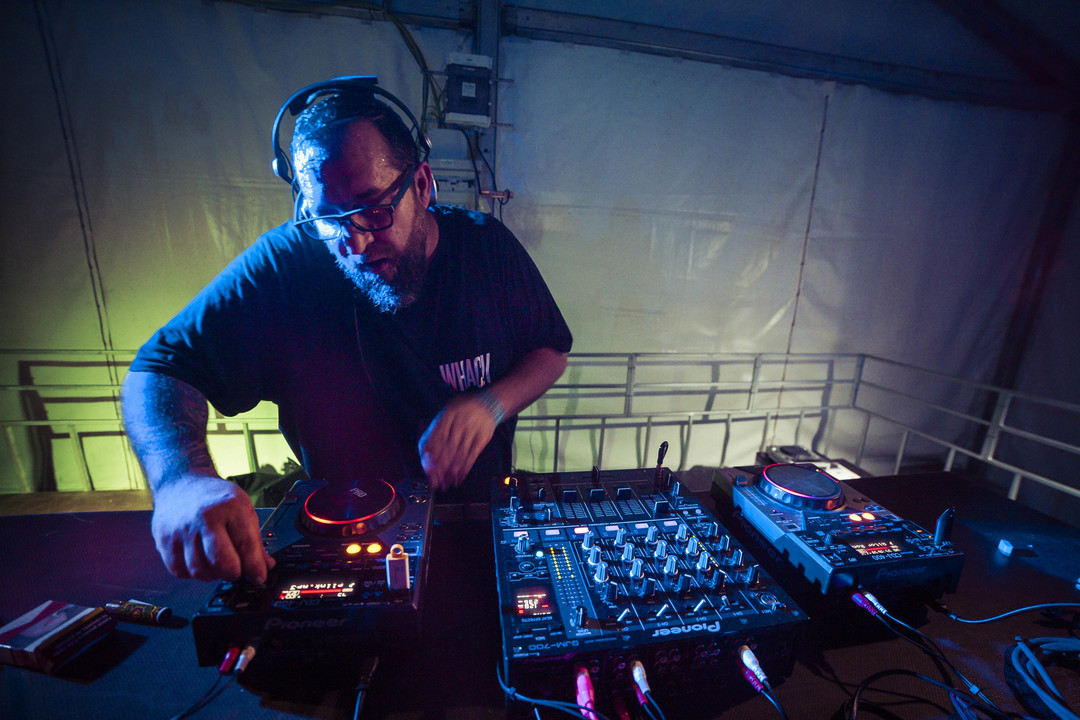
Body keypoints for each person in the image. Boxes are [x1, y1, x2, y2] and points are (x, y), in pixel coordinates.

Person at [122, 82, 572, 586]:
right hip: (343, 545)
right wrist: (181, 481)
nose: (353, 243)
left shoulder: (488, 249)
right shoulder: (287, 263)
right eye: (326, 218)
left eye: (374, 210)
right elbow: (160, 369)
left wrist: (490, 404)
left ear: (422, 185)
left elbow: (550, 350)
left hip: (481, 525)